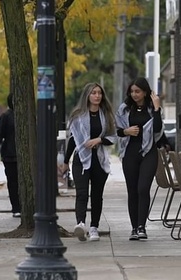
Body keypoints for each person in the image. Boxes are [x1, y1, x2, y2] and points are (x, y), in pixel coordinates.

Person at [59, 82, 117, 242]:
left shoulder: (106, 115)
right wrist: (65, 161)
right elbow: (73, 139)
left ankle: (94, 228)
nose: (97, 96)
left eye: (99, 93)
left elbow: (113, 137)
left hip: (99, 160)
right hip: (80, 159)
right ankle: (81, 224)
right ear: (87, 95)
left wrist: (98, 140)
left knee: (97, 195)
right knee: (82, 193)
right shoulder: (77, 115)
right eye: (93, 93)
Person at [115, 77, 164, 240]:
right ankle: (134, 228)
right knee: (132, 191)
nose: (135, 94)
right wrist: (126, 131)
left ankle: (142, 226)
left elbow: (157, 129)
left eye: (138, 91)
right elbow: (116, 130)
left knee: (143, 189)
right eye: (132, 91)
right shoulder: (124, 109)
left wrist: (157, 108)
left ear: (145, 92)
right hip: (130, 152)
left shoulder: (152, 108)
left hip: (149, 152)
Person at [0, 93, 21, 218]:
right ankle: (16, 207)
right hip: (10, 155)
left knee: (19, 182)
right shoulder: (6, 116)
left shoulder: (26, 115)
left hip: (14, 154)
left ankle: (22, 206)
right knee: (13, 182)